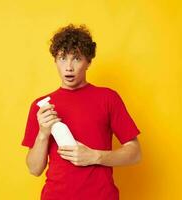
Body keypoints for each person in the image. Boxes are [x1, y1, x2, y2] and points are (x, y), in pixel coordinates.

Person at [21, 24, 142, 200]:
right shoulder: (41, 107)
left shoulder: (108, 98)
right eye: (62, 58)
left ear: (88, 62)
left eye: (76, 58)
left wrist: (95, 156)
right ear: (55, 60)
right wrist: (43, 133)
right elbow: (34, 169)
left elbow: (135, 153)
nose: (68, 67)